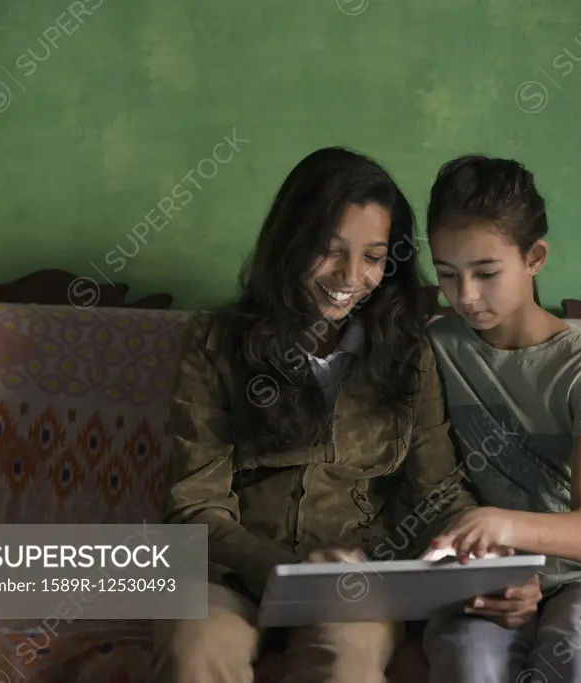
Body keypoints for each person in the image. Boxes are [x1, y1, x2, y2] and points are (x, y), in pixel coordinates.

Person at [151, 147, 542, 683]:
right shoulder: (215, 343)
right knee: (194, 654)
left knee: (346, 663)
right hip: (228, 577)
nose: (350, 276)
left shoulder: (408, 353)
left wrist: (495, 564)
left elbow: (438, 494)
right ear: (290, 243)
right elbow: (193, 506)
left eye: (374, 257)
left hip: (356, 579)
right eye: (327, 250)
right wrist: (282, 570)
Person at [419, 155, 581, 683]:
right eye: (447, 274)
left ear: (535, 257)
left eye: (486, 272)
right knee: (469, 662)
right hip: (491, 576)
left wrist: (501, 521)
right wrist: (483, 560)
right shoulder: (436, 348)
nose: (466, 296)